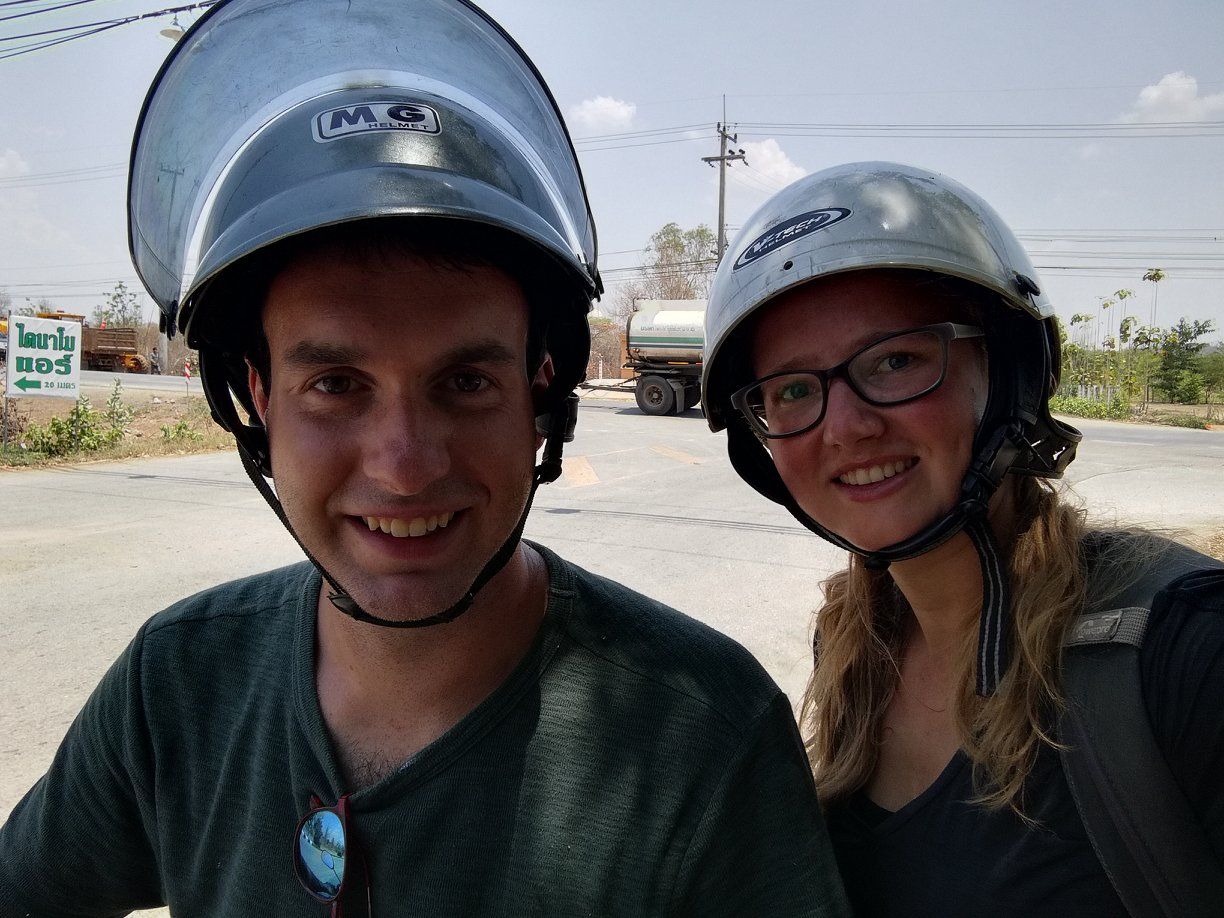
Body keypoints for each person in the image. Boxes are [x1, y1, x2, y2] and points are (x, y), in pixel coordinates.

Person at [0, 2, 851, 915]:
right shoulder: (175, 685)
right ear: (258, 400)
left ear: (540, 398)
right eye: (336, 385)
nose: (404, 467)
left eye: (466, 383)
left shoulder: (705, 738)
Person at [700, 161, 1224, 916]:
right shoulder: (853, 646)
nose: (845, 427)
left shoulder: (1186, 652)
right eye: (792, 391)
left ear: (1005, 371)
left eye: (895, 360)